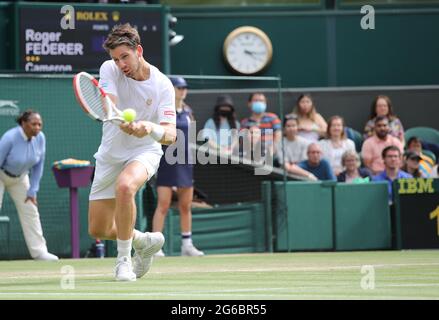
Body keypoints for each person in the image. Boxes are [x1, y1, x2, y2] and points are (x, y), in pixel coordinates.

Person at [88, 23, 177, 282]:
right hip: (110, 153)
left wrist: (149, 128)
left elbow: (170, 135)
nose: (120, 64)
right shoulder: (109, 69)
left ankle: (123, 262)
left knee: (126, 187)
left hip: (144, 151)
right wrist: (119, 120)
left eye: (125, 57)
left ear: (139, 50)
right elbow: (110, 105)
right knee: (99, 228)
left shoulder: (162, 85)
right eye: (115, 59)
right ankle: (143, 240)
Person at [152, 76, 204, 257]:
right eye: (179, 87)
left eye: (184, 87)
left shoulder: (188, 111)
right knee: (163, 205)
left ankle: (187, 245)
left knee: (185, 206)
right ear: (171, 89)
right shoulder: (164, 111)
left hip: (185, 163)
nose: (183, 90)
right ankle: (156, 247)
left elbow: (191, 137)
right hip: (167, 162)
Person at [0, 110, 58, 261]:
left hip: (20, 178)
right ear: (23, 124)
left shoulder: (40, 138)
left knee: (31, 211)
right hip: (1, 174)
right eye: (34, 124)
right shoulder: (9, 138)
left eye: (40, 124)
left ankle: (39, 253)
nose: (37, 128)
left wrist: (33, 189)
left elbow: (38, 165)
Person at [240, 92, 281, 161]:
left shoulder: (273, 118)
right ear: (249, 103)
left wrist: (271, 152)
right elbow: (242, 141)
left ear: (265, 103)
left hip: (271, 155)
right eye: (256, 100)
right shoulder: (245, 122)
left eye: (261, 101)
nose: (259, 103)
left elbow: (278, 136)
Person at [276, 115, 315, 180]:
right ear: (284, 128)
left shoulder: (306, 142)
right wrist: (309, 175)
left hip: (303, 174)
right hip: (286, 176)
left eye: (294, 125)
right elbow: (285, 166)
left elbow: (304, 163)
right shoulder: (280, 144)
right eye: (288, 126)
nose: (291, 128)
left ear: (298, 127)